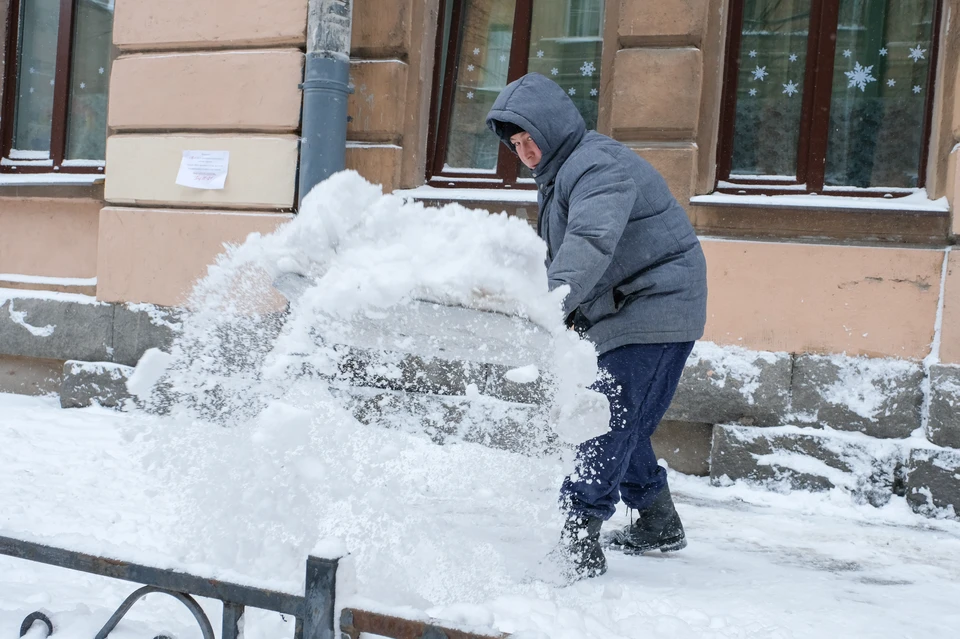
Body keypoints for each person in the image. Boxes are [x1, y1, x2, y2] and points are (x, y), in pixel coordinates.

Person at [486, 73, 708, 582]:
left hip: (657, 305)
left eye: (530, 140)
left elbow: (588, 244)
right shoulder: (562, 175)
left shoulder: (596, 166)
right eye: (517, 145)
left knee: (607, 417)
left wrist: (548, 305)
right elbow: (562, 255)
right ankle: (657, 519)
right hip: (621, 307)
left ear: (553, 128)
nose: (526, 153)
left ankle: (579, 535)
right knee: (616, 416)